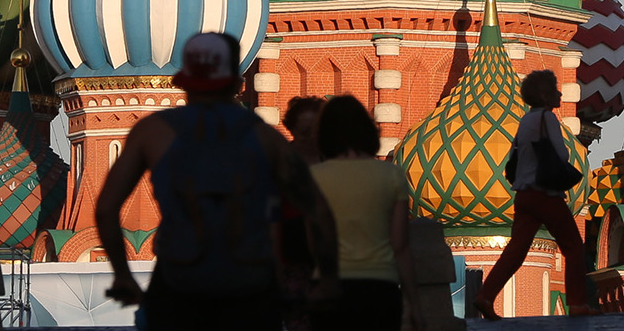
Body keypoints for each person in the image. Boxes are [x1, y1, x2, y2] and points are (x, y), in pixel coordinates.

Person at [98, 33, 338, 331]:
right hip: (248, 286)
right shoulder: (265, 138)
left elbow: (106, 209)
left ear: (183, 81)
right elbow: (318, 211)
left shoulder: (152, 133)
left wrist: (122, 274)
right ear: (237, 83)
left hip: (179, 283)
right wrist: (327, 278)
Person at [473, 71, 595, 320]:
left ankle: (485, 295)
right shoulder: (547, 119)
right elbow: (560, 155)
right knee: (573, 248)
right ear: (543, 94)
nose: (559, 93)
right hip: (545, 194)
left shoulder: (525, 121)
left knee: (516, 250)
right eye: (554, 89)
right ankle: (578, 303)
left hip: (524, 194)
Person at [305, 97, 416, 331]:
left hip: (330, 286)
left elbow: (314, 241)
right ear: (368, 130)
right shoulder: (392, 175)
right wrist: (414, 304)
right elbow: (400, 245)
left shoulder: (313, 177)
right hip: (380, 288)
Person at [278, 97, 328, 330]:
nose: (309, 137)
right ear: (292, 128)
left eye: (315, 130)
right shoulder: (282, 161)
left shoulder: (331, 161)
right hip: (292, 258)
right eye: (303, 131)